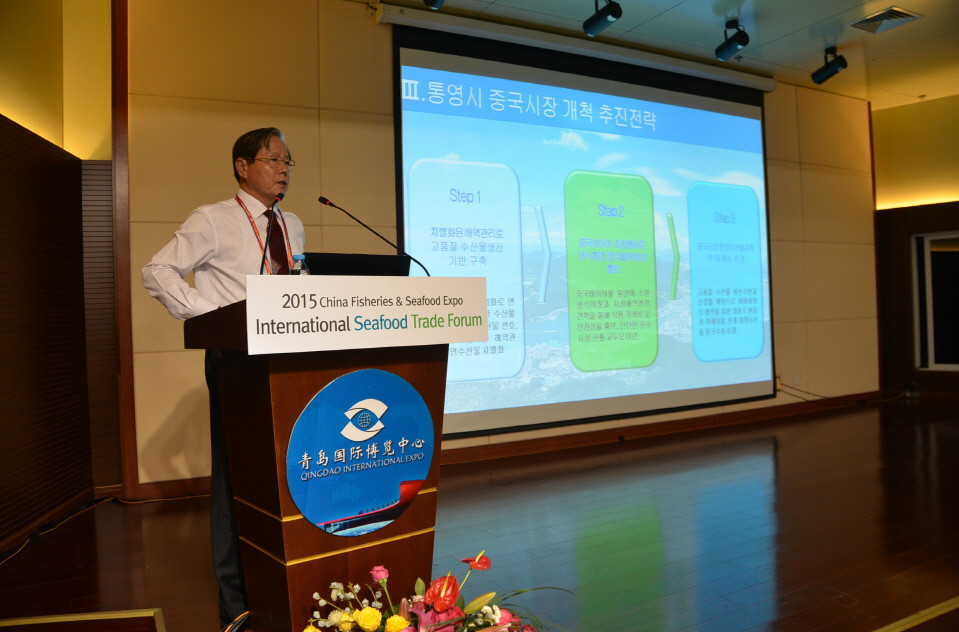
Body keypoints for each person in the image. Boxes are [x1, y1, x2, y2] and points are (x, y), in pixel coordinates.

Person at [142, 127, 306, 628]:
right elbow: (157, 271)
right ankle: (237, 607)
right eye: (273, 160)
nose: (283, 169)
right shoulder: (212, 219)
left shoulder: (292, 224)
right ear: (242, 166)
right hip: (236, 359)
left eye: (287, 161)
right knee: (238, 478)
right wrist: (213, 315)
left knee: (286, 473)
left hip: (287, 358)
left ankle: (289, 585)